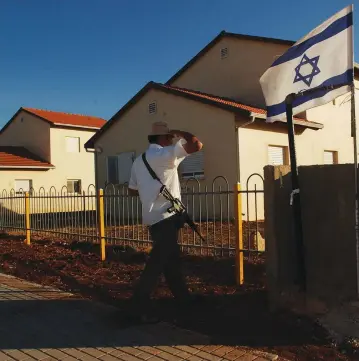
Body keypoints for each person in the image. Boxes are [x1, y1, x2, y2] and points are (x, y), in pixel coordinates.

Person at [126, 121, 203, 323]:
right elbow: (196, 144)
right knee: (157, 262)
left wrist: (150, 191)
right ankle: (136, 307)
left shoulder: (138, 161)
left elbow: (132, 190)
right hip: (167, 217)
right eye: (170, 137)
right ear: (164, 138)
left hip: (152, 218)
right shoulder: (165, 155)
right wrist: (180, 131)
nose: (172, 140)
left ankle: (184, 300)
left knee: (170, 262)